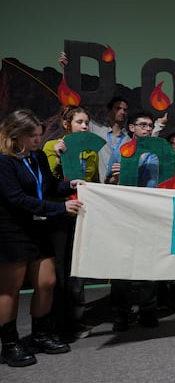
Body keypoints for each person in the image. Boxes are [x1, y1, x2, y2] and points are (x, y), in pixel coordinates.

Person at [0, 109, 84, 367]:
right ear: (17, 136)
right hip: (11, 230)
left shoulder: (35, 157)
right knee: (10, 289)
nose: (39, 140)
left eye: (39, 134)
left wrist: (69, 185)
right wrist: (59, 208)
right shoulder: (4, 162)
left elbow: (46, 186)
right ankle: (10, 343)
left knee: (47, 282)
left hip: (38, 228)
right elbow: (17, 199)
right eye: (33, 136)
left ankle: (40, 334)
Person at [42, 106, 98, 339]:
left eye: (87, 122)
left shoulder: (92, 153)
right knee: (58, 271)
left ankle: (76, 321)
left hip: (81, 216)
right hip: (58, 215)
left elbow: (93, 183)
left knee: (77, 271)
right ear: (67, 124)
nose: (84, 126)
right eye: (79, 122)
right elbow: (47, 182)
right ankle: (55, 323)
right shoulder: (50, 146)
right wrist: (56, 156)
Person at [109, 112, 161, 331]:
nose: (147, 129)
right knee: (122, 266)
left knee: (147, 264)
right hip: (123, 212)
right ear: (132, 127)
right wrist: (114, 176)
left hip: (147, 212)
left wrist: (132, 167)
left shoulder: (156, 154)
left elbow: (156, 181)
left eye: (150, 126)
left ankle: (148, 310)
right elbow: (109, 180)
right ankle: (121, 313)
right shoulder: (119, 151)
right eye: (143, 125)